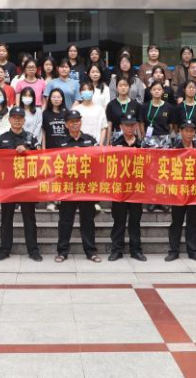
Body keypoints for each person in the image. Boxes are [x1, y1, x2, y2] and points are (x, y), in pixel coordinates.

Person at [0, 107, 42, 262]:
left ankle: (33, 250)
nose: (17, 120)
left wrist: (27, 151)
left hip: (26, 184)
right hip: (7, 185)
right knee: (6, 219)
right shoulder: (2, 139)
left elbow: (41, 158)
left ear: (24, 120)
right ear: (9, 120)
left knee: (29, 219)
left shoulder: (31, 138)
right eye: (14, 117)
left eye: (20, 117)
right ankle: (4, 250)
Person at [54, 110, 101, 263]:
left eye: (78, 120)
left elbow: (99, 160)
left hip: (86, 187)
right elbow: (55, 165)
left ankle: (91, 252)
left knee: (87, 220)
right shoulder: (61, 142)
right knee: (65, 221)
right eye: (72, 121)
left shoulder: (90, 140)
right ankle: (62, 252)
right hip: (68, 188)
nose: (75, 124)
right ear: (66, 124)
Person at [108, 115, 146, 262]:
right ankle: (116, 250)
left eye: (132, 125)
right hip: (120, 188)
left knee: (135, 221)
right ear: (121, 127)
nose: (129, 128)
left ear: (136, 126)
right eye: (126, 125)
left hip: (136, 189)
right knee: (119, 220)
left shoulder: (142, 144)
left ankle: (136, 250)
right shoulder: (115, 143)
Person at [167, 122, 196, 262]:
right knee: (176, 222)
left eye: (191, 131)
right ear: (180, 131)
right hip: (178, 191)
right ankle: (173, 251)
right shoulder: (174, 149)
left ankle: (193, 251)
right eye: (186, 131)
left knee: (193, 222)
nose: (189, 134)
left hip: (194, 192)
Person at [106, 77, 143, 145]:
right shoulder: (111, 105)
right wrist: (108, 143)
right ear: (116, 88)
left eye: (125, 85)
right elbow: (109, 125)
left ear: (129, 87)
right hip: (116, 138)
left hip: (132, 138)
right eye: (120, 85)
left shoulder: (136, 105)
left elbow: (138, 125)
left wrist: (140, 141)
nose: (123, 88)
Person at [72, 81, 109, 145]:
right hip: (79, 144)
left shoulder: (100, 109)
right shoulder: (75, 109)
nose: (87, 91)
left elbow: (103, 128)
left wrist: (100, 144)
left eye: (89, 89)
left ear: (93, 92)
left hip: (96, 144)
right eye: (84, 90)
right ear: (80, 92)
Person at [142, 81, 173, 149]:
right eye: (154, 89)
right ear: (150, 91)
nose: (156, 91)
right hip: (149, 137)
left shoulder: (169, 107)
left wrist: (166, 134)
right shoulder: (144, 106)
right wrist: (144, 136)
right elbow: (141, 123)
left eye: (159, 89)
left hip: (164, 138)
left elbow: (171, 125)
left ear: (163, 91)